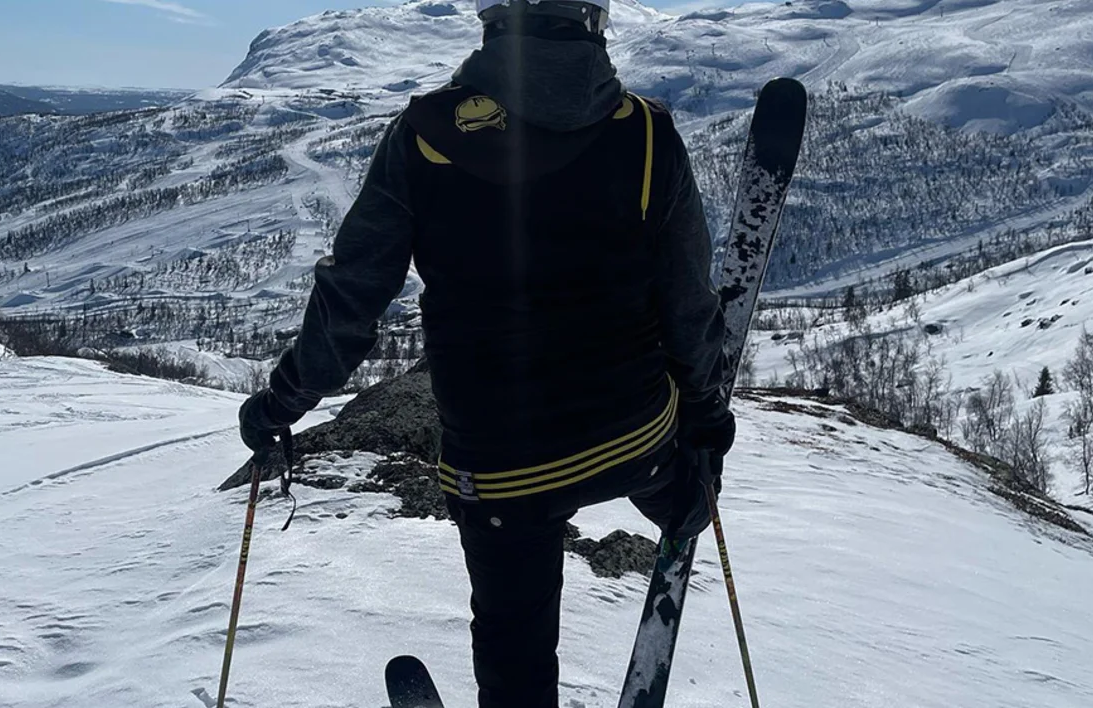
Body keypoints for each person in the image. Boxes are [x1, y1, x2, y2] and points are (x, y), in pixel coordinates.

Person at [238, 0, 735, 705]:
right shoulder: (649, 133)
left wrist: (282, 401)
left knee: (513, 639)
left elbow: (353, 296)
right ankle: (679, 502)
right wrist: (707, 419)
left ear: (492, 25)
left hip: (502, 465)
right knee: (655, 463)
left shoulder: (426, 135)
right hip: (638, 433)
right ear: (592, 24)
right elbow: (687, 303)